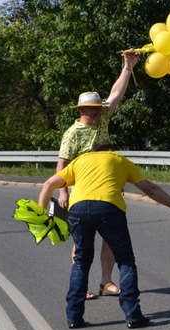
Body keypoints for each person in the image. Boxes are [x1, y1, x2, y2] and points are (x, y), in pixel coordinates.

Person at [37, 140, 170, 329]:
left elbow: (49, 183)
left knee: (81, 261)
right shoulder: (119, 159)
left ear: (93, 151)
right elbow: (150, 189)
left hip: (78, 209)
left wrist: (42, 218)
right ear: (110, 150)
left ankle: (74, 317)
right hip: (109, 209)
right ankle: (133, 316)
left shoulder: (80, 160)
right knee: (125, 261)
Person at [57, 49, 141, 300]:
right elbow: (61, 164)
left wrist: (128, 66)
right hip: (82, 192)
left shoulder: (102, 120)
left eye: (98, 107)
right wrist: (63, 192)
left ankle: (107, 282)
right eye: (93, 109)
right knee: (82, 243)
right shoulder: (72, 133)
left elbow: (115, 95)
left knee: (109, 237)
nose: (99, 111)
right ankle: (81, 284)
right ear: (82, 109)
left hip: (108, 189)